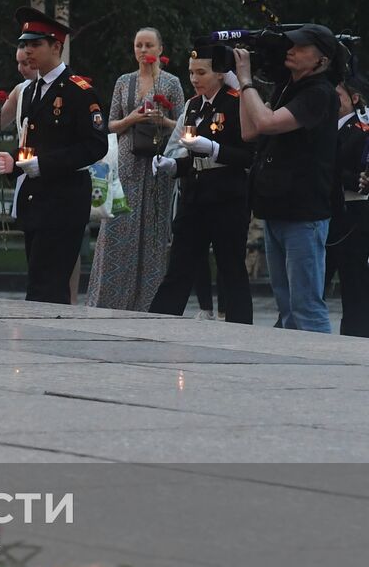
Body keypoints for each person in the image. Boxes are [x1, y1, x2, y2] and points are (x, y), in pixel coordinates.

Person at [0, 8, 107, 304]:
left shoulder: (79, 91)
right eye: (23, 44)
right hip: (36, 201)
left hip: (64, 201)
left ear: (56, 46)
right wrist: (13, 162)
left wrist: (44, 165)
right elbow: (34, 144)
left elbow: (95, 146)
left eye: (35, 44)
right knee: (39, 279)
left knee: (48, 286)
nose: (27, 51)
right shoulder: (31, 91)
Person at [236, 23, 340, 332]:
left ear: (321, 59)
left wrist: (245, 81)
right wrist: (239, 82)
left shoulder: (319, 93)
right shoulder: (288, 88)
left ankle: (325, 375)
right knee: (286, 306)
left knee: (306, 306)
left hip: (304, 212)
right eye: (290, 45)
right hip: (277, 208)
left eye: (301, 47)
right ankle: (294, 369)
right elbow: (249, 131)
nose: (291, 51)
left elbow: (266, 122)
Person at [148, 45, 253, 324]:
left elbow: (249, 155)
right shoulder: (194, 106)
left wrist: (215, 149)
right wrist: (173, 165)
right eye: (191, 72)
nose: (195, 78)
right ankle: (158, 323)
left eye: (202, 72)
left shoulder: (236, 102)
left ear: (220, 74)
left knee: (231, 268)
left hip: (226, 195)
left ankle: (241, 329)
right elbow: (192, 154)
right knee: (180, 265)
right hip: (195, 194)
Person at [86, 28, 184, 311]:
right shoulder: (123, 82)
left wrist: (161, 121)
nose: (143, 50)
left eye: (149, 45)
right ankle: (108, 300)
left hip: (156, 167)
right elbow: (110, 125)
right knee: (116, 231)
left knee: (152, 234)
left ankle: (149, 304)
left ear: (160, 49)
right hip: (125, 166)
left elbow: (183, 125)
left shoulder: (171, 83)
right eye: (138, 45)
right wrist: (132, 117)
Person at [324, 76, 369, 336]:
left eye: (338, 97)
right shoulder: (326, 127)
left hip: (351, 213)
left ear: (354, 99)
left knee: (353, 283)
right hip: (325, 211)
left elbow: (356, 176)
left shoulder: (360, 129)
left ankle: (355, 336)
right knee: (316, 280)